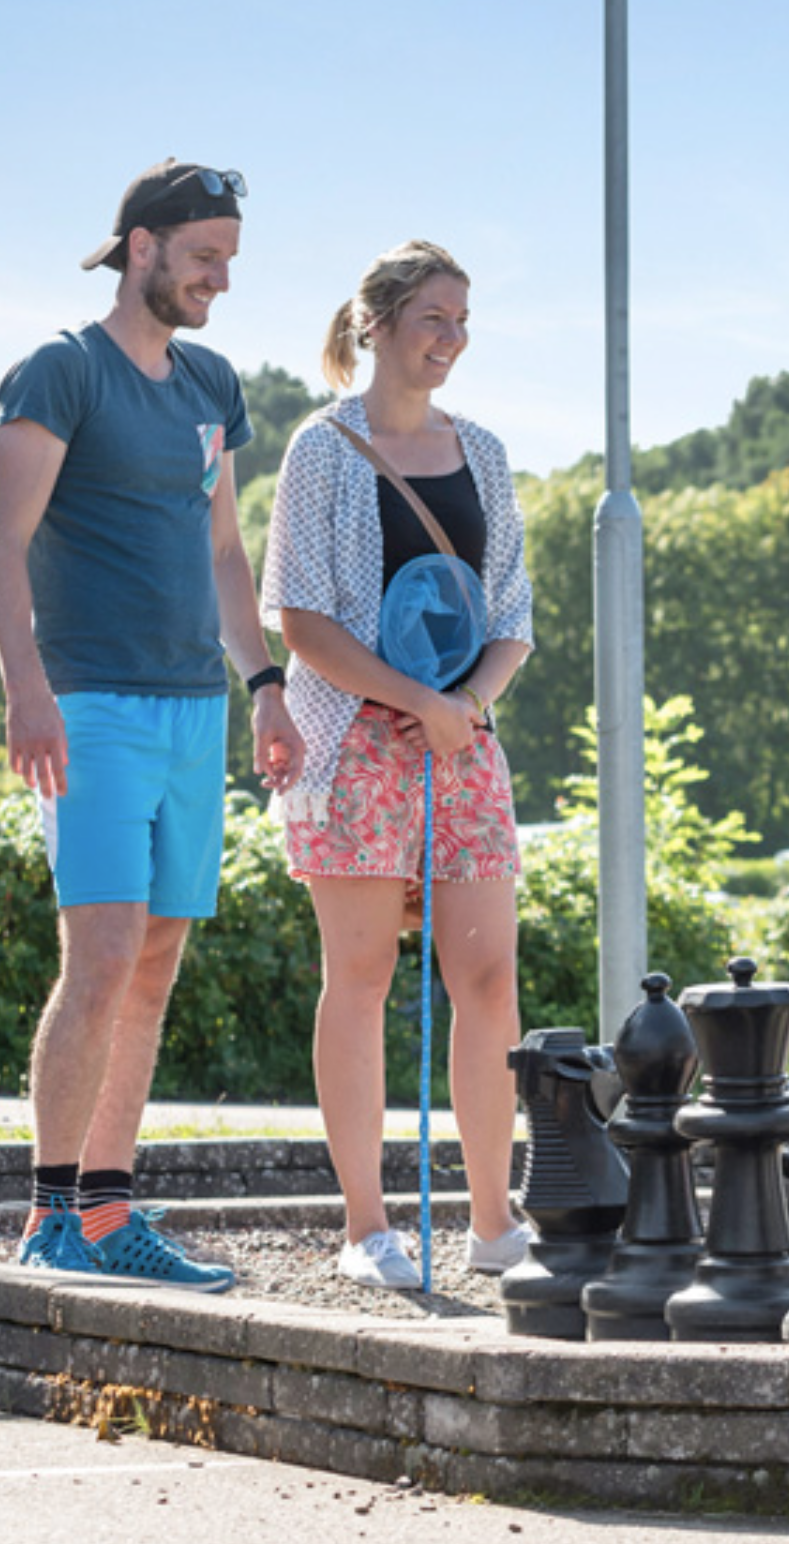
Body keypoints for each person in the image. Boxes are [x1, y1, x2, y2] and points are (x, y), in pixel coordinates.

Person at [0, 159, 305, 1290]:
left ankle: (111, 1214)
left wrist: (265, 684)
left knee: (156, 961)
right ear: (140, 246)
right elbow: (0, 543)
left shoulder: (209, 382)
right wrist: (25, 686)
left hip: (191, 708)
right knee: (104, 951)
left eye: (229, 259)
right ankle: (50, 1210)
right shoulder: (62, 371)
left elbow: (223, 551)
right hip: (92, 704)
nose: (220, 279)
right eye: (204, 256)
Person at [259, 241, 536, 1290]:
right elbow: (300, 613)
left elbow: (511, 615)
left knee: (487, 976)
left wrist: (466, 704)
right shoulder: (322, 449)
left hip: (463, 743)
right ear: (374, 320)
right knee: (362, 976)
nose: (450, 338)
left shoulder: (489, 453)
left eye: (461, 320)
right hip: (353, 741)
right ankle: (368, 1225)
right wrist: (418, 700)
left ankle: (494, 1221)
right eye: (432, 317)